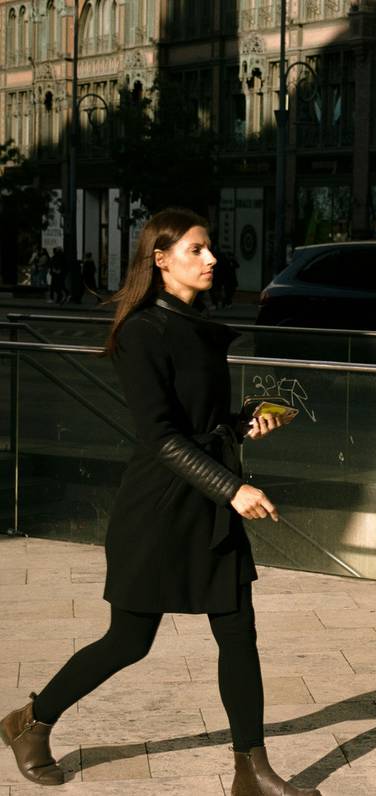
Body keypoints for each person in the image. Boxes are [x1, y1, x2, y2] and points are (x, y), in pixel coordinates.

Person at [0, 208, 317, 795]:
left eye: (209, 248)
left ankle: (251, 770)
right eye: (197, 249)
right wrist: (234, 487)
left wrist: (244, 422)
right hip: (159, 509)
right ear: (161, 258)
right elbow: (161, 435)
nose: (212, 258)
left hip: (208, 505)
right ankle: (31, 721)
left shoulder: (198, 324)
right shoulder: (141, 333)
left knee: (238, 631)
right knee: (129, 640)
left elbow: (198, 422)